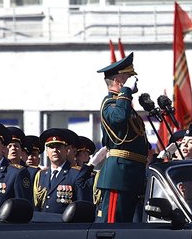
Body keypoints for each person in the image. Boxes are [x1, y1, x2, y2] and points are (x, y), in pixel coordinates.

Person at [96, 53, 150, 223]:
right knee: (112, 226)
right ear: (119, 81)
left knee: (127, 227)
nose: (133, 82)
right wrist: (125, 92)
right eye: (128, 78)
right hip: (118, 176)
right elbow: (118, 119)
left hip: (131, 173)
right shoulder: (110, 103)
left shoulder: (125, 106)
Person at [34, 129, 92, 213]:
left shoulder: (77, 174)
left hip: (64, 224)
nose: (54, 150)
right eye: (51, 147)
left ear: (66, 150)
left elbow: (82, 207)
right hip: (42, 222)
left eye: (58, 147)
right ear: (46, 152)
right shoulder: (41, 175)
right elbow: (36, 205)